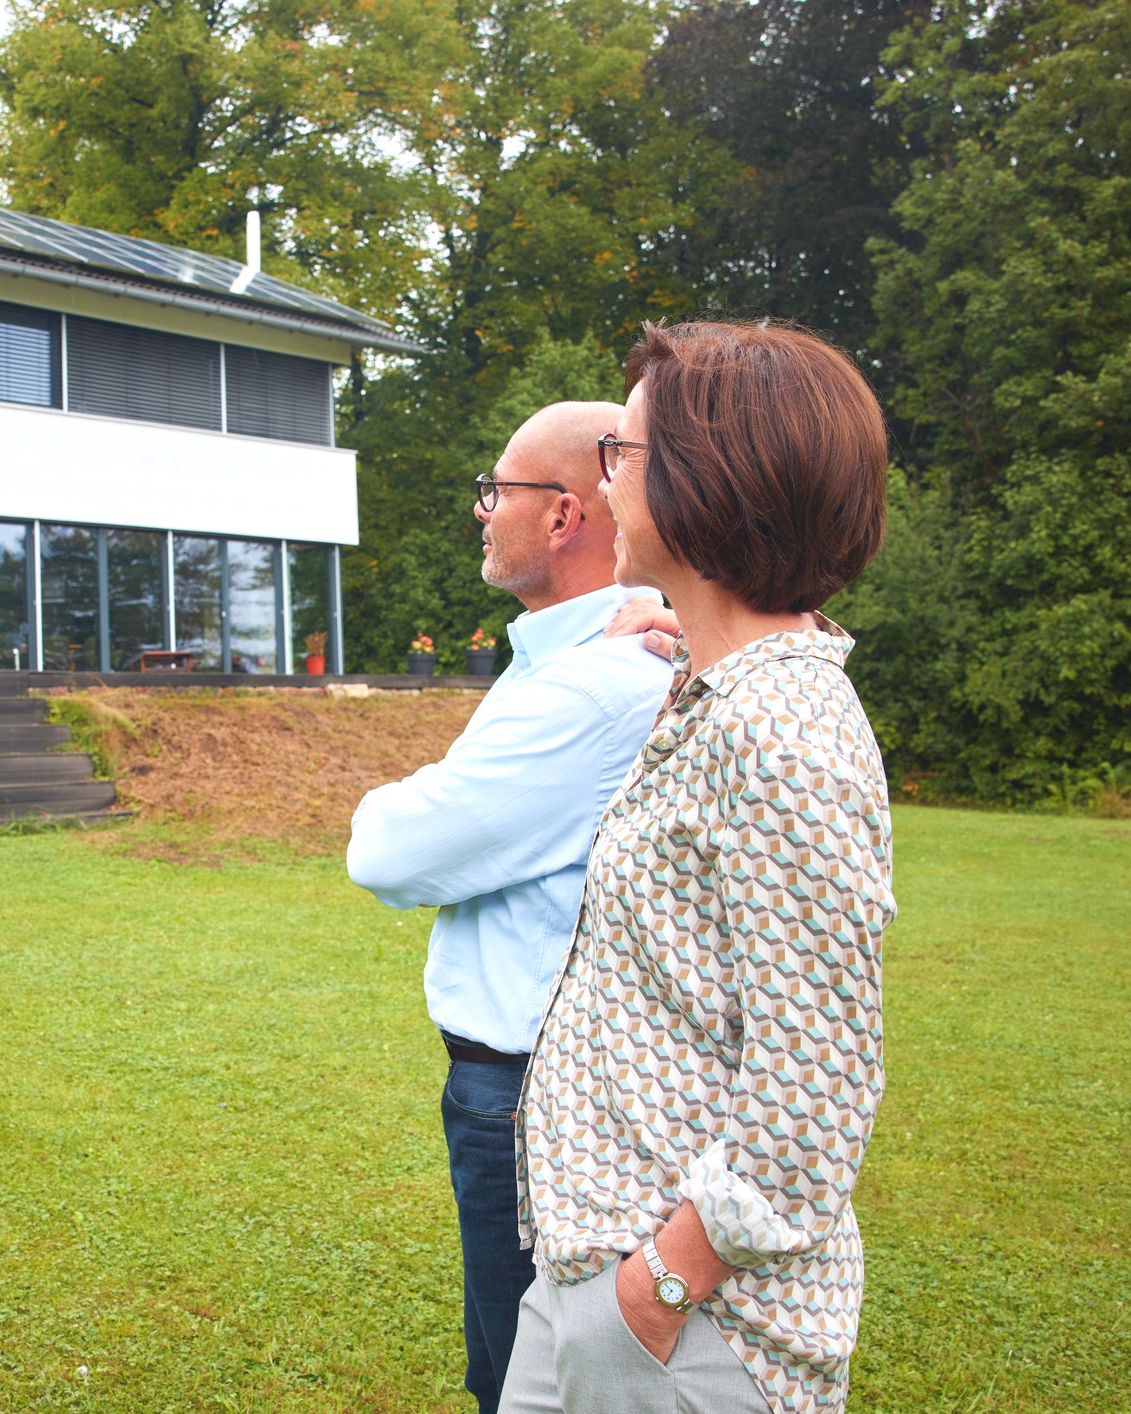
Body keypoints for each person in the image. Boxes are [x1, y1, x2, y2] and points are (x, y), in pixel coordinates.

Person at [501, 319, 895, 1414]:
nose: (602, 482)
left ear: (706, 481)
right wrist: (674, 611)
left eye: (620, 455)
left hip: (695, 1321)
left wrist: (662, 1281)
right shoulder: (726, 685)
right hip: (594, 1265)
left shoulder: (780, 732)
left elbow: (812, 1088)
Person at [346, 400, 678, 1414]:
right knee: (514, 1363)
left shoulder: (593, 684)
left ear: (564, 514)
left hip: (525, 1098)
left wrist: (389, 797)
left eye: (497, 490)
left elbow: (391, 851)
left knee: (520, 1383)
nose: (481, 511)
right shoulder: (588, 663)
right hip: (527, 1086)